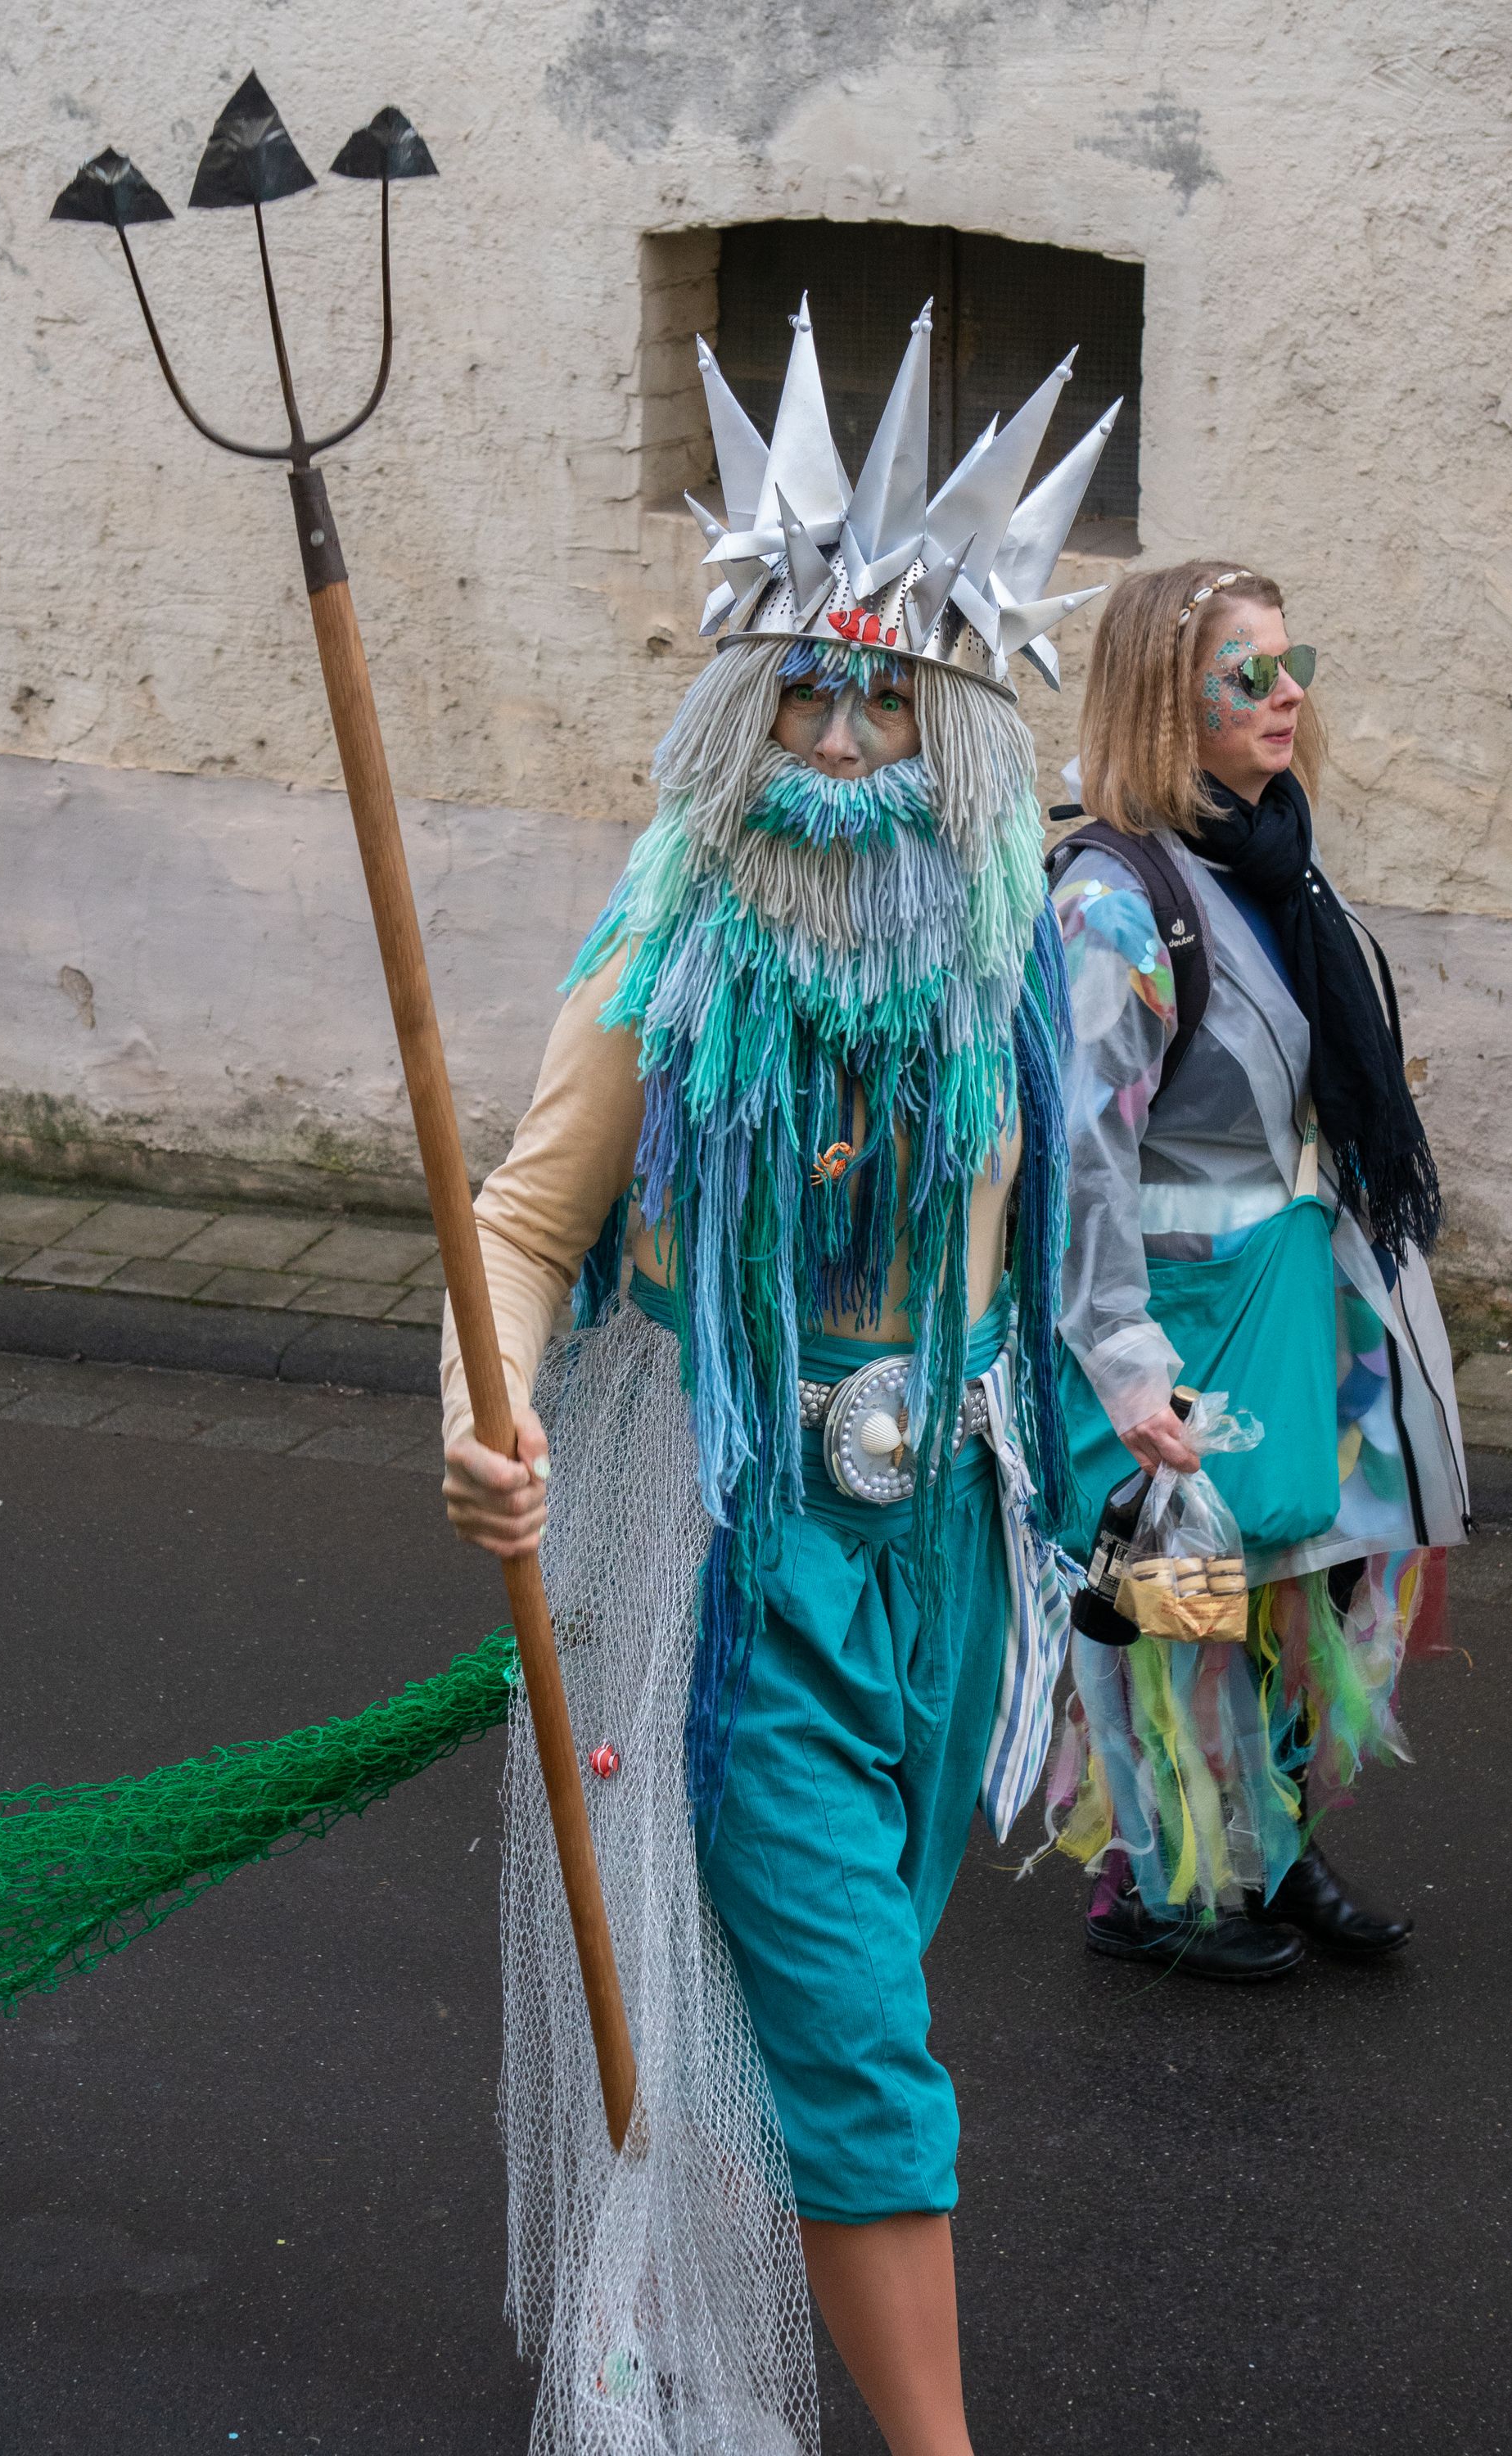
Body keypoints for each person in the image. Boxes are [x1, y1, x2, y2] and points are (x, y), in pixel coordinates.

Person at [440, 297, 1111, 2456]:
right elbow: (523, 1228)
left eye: (887, 700)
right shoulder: (682, 941)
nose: (841, 744)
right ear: (745, 713)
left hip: (949, 1580)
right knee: (863, 2044)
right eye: (803, 695)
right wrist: (490, 1412)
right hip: (755, 1578)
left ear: (966, 732)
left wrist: (1137, 1453)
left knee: (832, 2009)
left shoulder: (1012, 960)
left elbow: (1062, 1281)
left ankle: (731, 2315)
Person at [1045, 559, 1468, 1979]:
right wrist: (1118, 1361)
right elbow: (1084, 1157)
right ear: (1170, 700)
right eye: (1248, 673)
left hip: (1291, 1286)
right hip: (1177, 1306)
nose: (1288, 694)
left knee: (1303, 1578)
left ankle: (1267, 1853)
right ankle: (1160, 1887)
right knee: (1179, 1603)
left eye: (1294, 663)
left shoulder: (1267, 850)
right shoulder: (1113, 903)